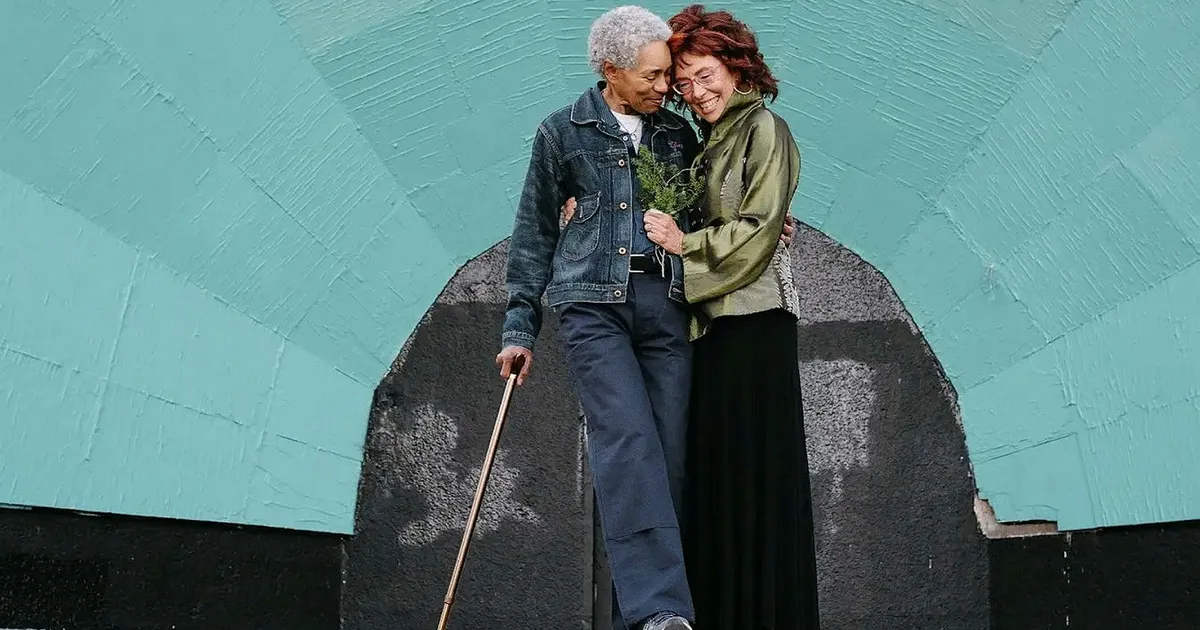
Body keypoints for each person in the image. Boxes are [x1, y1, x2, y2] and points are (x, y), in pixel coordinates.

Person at [495, 6, 701, 630]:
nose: (665, 86)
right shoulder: (562, 131)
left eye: (666, 73)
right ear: (611, 70)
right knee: (628, 443)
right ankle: (661, 610)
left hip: (665, 302)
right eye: (651, 76)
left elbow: (706, 211)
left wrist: (765, 223)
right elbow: (534, 231)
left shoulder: (677, 134)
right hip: (592, 306)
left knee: (667, 458)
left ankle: (640, 616)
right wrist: (519, 328)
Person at [642, 5, 822, 629]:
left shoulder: (766, 129)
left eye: (705, 74)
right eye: (684, 82)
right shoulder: (708, 140)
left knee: (756, 482)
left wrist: (683, 244)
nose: (696, 91)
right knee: (719, 482)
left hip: (754, 325)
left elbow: (756, 230)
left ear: (737, 67)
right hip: (711, 328)